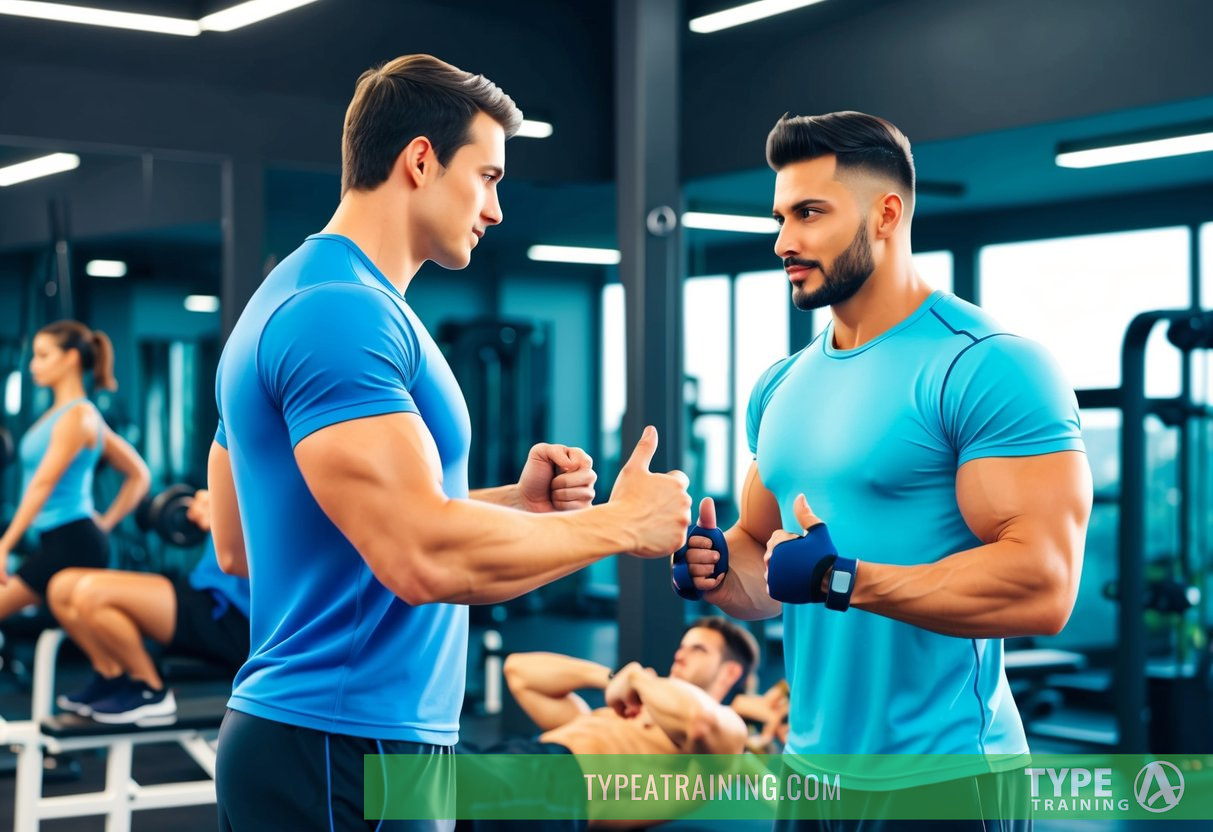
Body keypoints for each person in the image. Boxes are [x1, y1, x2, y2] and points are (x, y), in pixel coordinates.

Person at [208, 54, 691, 831]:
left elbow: (250, 540)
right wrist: (623, 525)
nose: (495, 209)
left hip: (330, 739)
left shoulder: (295, 295)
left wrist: (517, 507)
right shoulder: (341, 314)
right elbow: (420, 558)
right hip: (344, 745)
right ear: (420, 160)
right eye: (487, 176)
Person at [675, 111, 1092, 829]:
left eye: (809, 213)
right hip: (810, 775)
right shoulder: (780, 385)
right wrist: (716, 569)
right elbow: (763, 562)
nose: (783, 241)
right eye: (780, 217)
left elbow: (1042, 585)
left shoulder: (987, 365)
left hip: (945, 778)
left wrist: (845, 580)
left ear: (886, 214)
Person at [48, 488, 249, 726]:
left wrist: (224, 519)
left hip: (235, 617)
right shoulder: (241, 474)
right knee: (61, 586)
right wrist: (209, 503)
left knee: (91, 595)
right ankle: (111, 677)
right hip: (202, 588)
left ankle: (149, 690)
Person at [0, 320, 150, 619]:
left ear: (71, 358)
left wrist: (4, 545)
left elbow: (43, 484)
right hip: (56, 539)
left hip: (72, 542)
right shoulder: (70, 415)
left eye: (43, 355)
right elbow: (139, 473)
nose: (33, 365)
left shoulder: (79, 417)